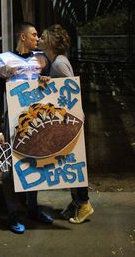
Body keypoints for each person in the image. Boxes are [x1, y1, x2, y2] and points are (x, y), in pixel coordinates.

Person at [0, 21, 53, 233]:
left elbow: (50, 89)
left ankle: (33, 208)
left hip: (37, 122)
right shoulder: (4, 61)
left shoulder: (42, 60)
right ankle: (13, 213)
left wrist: (47, 81)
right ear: (23, 37)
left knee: (35, 164)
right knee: (9, 168)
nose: (38, 38)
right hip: (13, 123)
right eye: (34, 35)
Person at [38, 23, 94, 224]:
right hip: (69, 119)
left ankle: (84, 203)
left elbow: (69, 93)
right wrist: (47, 82)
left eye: (42, 37)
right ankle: (76, 203)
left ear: (52, 42)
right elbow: (58, 89)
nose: (39, 39)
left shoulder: (59, 63)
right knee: (70, 161)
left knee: (75, 162)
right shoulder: (57, 61)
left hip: (70, 120)